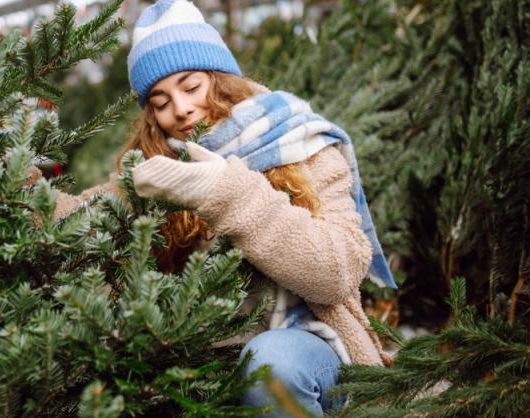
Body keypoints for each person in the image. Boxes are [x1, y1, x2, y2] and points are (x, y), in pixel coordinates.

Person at [52, 0, 397, 416]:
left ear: (220, 79)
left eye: (191, 86)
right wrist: (22, 191)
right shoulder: (160, 171)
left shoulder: (302, 145)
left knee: (271, 364)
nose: (180, 109)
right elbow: (87, 217)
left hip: (307, 348)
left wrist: (226, 192)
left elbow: (338, 272)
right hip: (205, 357)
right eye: (160, 102)